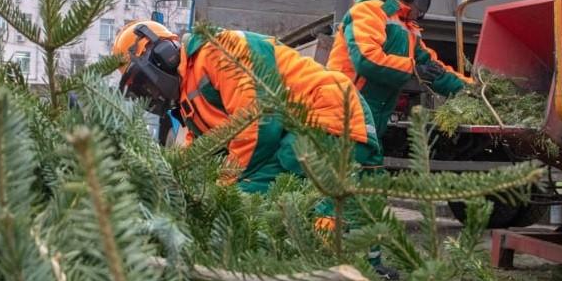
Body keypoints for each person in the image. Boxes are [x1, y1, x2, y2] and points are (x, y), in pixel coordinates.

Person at [112, 20, 381, 193]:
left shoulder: (220, 50)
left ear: (163, 56)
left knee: (251, 193)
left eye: (145, 84)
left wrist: (223, 187)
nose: (149, 93)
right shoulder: (188, 98)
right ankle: (371, 262)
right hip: (299, 126)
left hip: (329, 115)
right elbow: (206, 150)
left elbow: (258, 125)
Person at [328, 0, 471, 138]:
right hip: (344, 107)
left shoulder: (408, 28)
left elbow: (435, 69)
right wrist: (413, 69)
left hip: (372, 111)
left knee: (368, 163)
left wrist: (471, 89)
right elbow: (366, 59)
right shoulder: (369, 10)